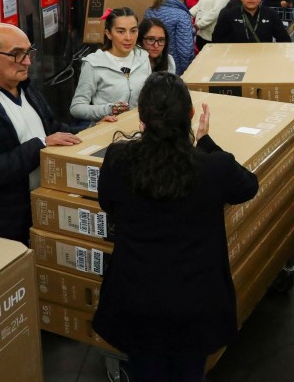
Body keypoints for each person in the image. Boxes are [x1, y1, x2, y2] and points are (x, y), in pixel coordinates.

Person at [92, 72, 258, 382]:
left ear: (142, 118)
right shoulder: (214, 167)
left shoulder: (118, 159)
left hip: (135, 297)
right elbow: (249, 186)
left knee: (144, 371)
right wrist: (206, 142)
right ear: (191, 115)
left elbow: (107, 203)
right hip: (196, 302)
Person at [0, 23, 82, 244]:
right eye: (17, 54)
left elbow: (52, 128)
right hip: (3, 226)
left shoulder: (25, 86)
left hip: (40, 207)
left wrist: (91, 130)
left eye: (29, 52)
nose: (28, 62)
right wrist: (39, 145)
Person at [70, 7, 151, 124]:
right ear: (108, 33)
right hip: (108, 129)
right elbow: (76, 107)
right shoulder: (94, 63)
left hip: (139, 127)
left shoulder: (143, 57)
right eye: (121, 31)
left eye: (133, 31)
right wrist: (108, 109)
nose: (128, 37)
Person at [213, 0, 292, 44]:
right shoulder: (229, 15)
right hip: (237, 56)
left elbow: (285, 40)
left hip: (263, 56)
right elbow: (216, 40)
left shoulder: (271, 15)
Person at [143, 0, 194, 74]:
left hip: (150, 63)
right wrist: (187, 69)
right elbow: (185, 49)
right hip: (174, 66)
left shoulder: (149, 11)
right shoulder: (182, 15)